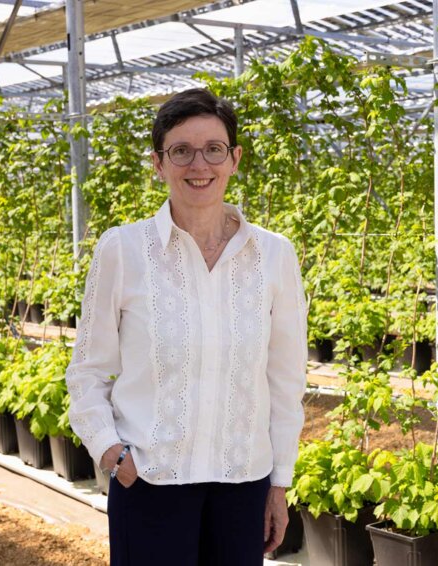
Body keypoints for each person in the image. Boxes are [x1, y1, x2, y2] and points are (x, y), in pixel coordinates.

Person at [65, 88, 307, 565]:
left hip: (242, 485)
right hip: (150, 481)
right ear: (159, 163)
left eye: (214, 149)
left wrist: (279, 482)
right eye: (181, 151)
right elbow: (87, 370)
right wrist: (112, 452)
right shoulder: (122, 250)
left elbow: (285, 380)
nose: (200, 164)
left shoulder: (275, 256)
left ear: (234, 158)